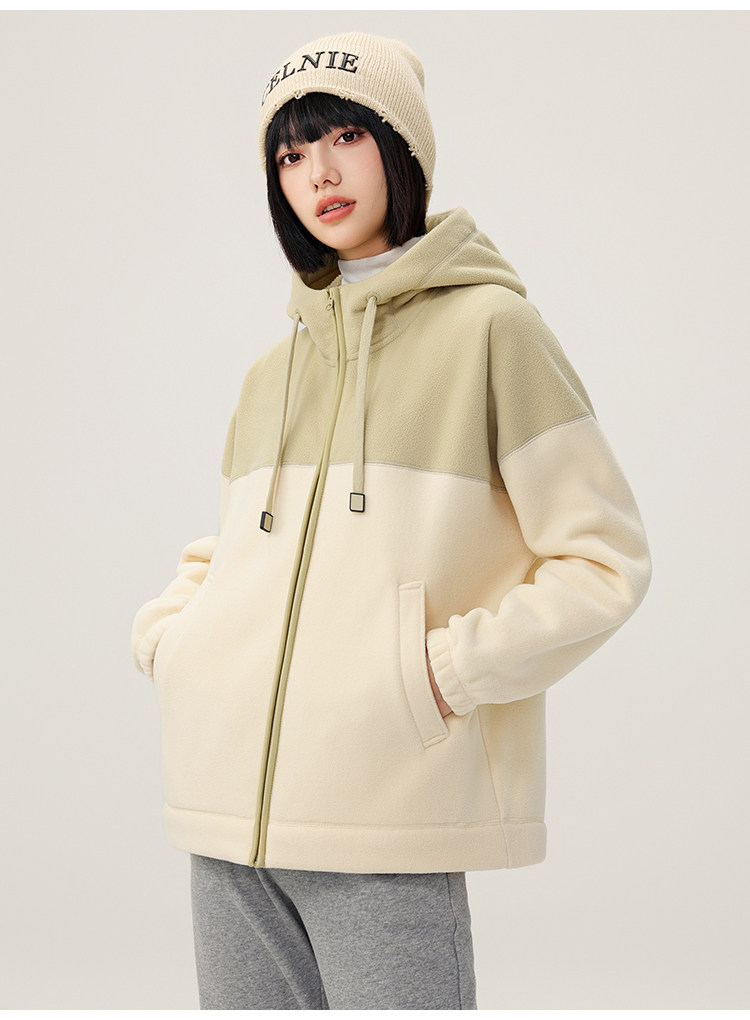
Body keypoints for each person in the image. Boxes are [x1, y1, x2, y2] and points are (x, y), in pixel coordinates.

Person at [131, 31, 652, 1010]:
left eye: (344, 137)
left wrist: (447, 671)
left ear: (399, 145)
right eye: (290, 155)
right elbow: (231, 553)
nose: (318, 174)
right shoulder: (273, 370)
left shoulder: (495, 332)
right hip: (224, 825)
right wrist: (177, 639)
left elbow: (604, 558)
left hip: (387, 821)